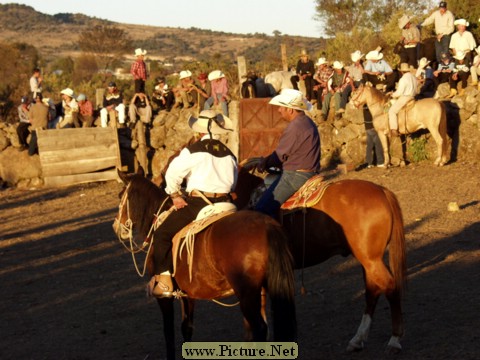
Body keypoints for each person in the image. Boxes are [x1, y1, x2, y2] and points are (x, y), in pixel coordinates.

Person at [148, 109, 237, 297]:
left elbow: (172, 174)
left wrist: (174, 195)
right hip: (226, 203)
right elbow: (234, 182)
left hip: (200, 203)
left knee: (162, 234)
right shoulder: (230, 154)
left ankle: (164, 283)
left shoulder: (192, 151)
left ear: (199, 132)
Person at [255, 89, 320, 218]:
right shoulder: (307, 122)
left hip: (295, 176)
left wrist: (265, 162)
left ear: (290, 110)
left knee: (261, 210)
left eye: (281, 107)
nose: (279, 110)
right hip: (310, 172)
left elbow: (279, 157)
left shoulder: (295, 127)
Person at [388, 63, 418, 137]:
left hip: (405, 97)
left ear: (401, 71)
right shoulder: (413, 77)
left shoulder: (403, 79)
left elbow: (399, 92)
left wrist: (392, 94)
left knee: (392, 111)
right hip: (413, 97)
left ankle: (394, 129)